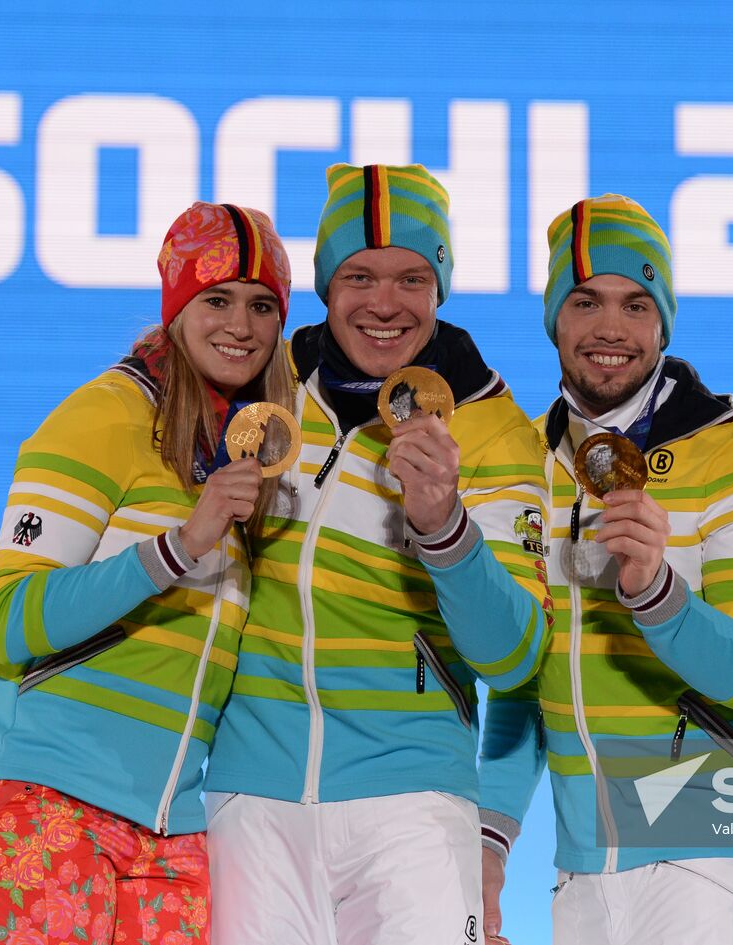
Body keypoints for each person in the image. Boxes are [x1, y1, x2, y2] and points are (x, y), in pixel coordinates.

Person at [0, 202, 295, 944]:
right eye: (216, 299)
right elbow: (10, 618)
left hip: (167, 826)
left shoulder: (239, 448)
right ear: (176, 305)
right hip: (36, 796)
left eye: (262, 306)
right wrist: (176, 547)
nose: (241, 325)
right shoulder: (104, 417)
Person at [202, 163, 551, 945]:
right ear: (326, 284)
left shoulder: (496, 431)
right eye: (359, 274)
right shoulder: (264, 387)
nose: (385, 302)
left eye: (412, 278)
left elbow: (517, 655)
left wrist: (444, 527)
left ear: (441, 288)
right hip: (250, 794)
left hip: (413, 802)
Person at [477, 194, 733, 945]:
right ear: (555, 317)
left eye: (635, 302)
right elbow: (525, 673)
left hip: (714, 860)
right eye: (585, 300)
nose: (610, 329)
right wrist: (491, 839)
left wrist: (659, 595)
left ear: (663, 321)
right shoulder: (524, 461)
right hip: (584, 868)